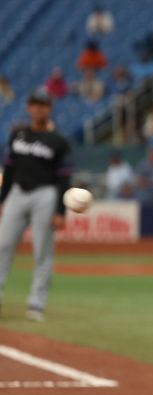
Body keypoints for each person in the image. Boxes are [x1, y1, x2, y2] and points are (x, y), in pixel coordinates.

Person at [0, 90, 73, 322]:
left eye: (43, 104)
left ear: (49, 109)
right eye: (35, 104)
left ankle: (37, 303)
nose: (39, 108)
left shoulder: (58, 142)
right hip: (18, 192)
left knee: (42, 250)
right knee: (3, 246)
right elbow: (9, 170)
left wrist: (61, 211)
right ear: (29, 108)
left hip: (46, 194)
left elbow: (64, 178)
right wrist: (2, 199)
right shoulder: (18, 135)